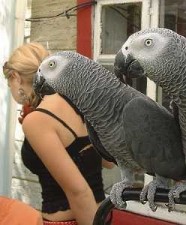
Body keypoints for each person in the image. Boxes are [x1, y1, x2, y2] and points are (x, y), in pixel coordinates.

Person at [3, 42, 114, 225]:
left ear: (16, 77)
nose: (11, 90)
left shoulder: (37, 120)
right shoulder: (74, 100)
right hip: (102, 213)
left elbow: (79, 191)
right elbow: (108, 161)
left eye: (9, 84)